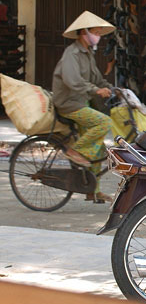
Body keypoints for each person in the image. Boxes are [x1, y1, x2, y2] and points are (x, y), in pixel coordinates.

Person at [52, 11, 115, 203]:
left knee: (97, 149)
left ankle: (93, 191)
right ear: (84, 33)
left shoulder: (87, 54)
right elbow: (73, 81)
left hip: (81, 103)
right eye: (95, 32)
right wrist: (96, 91)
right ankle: (75, 151)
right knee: (104, 122)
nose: (97, 35)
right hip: (69, 104)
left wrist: (111, 89)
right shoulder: (71, 53)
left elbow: (96, 78)